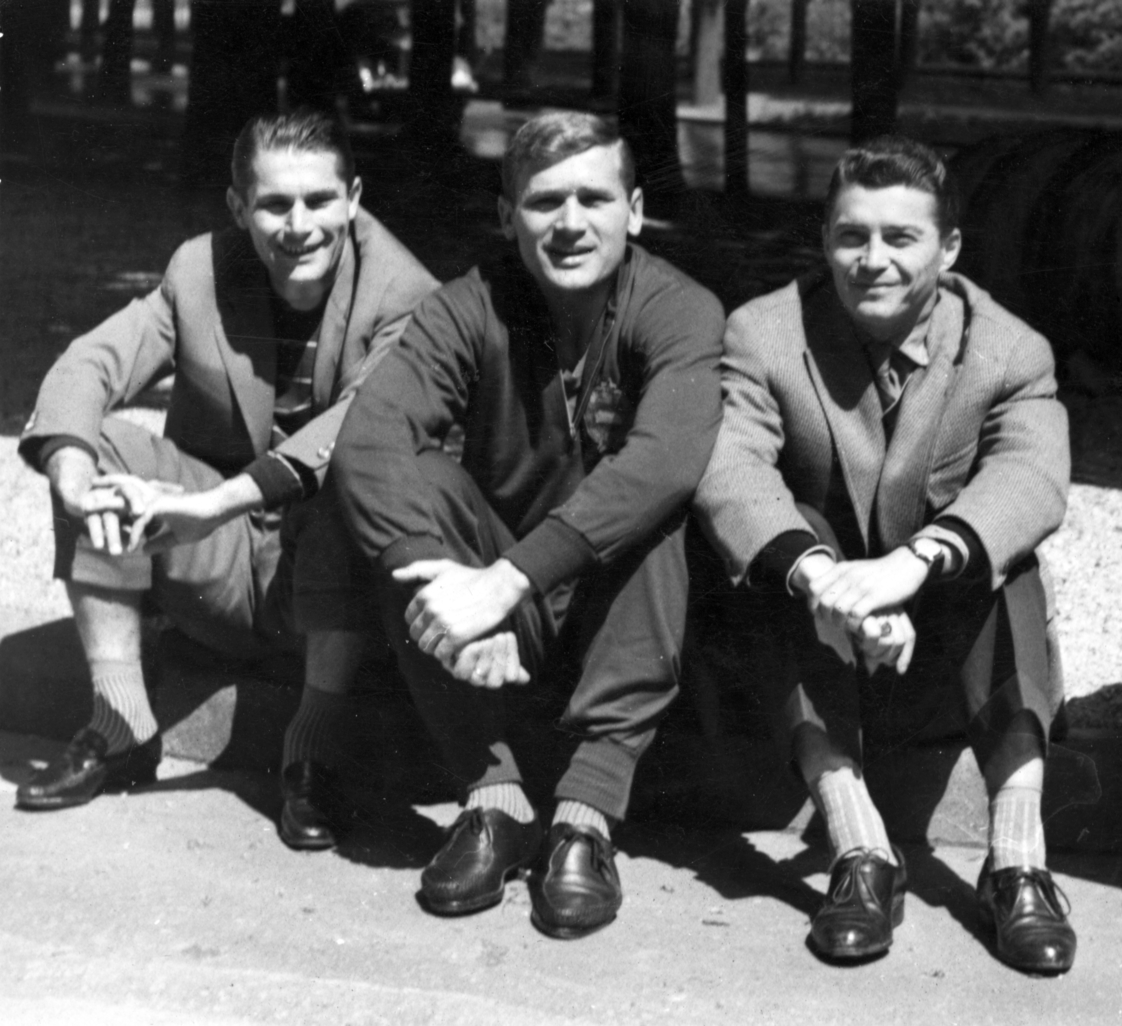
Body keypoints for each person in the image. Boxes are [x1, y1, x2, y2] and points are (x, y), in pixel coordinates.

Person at [329, 112, 723, 936]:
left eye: (594, 198)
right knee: (415, 488)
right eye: (545, 202)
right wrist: (445, 587)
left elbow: (665, 461)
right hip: (495, 631)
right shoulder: (466, 306)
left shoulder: (680, 310)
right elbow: (368, 440)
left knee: (651, 506)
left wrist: (504, 583)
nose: (571, 223)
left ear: (636, 210)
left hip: (623, 614)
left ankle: (585, 816)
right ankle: (494, 796)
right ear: (508, 216)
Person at [694, 137, 1076, 974]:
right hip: (814, 642)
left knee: (1005, 556)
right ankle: (859, 849)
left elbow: (1034, 476)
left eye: (901, 239)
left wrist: (914, 566)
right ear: (824, 239)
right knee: (777, 535)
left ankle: (1018, 856)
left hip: (944, 650)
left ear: (950, 249)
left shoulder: (1011, 349)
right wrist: (828, 582)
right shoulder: (763, 332)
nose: (873, 261)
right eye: (850, 236)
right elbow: (729, 464)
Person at [16, 110, 438, 853]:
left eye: (319, 201)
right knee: (101, 444)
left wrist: (210, 503)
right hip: (220, 555)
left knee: (355, 478)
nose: (299, 225)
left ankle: (312, 752)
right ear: (239, 207)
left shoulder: (407, 293)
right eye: (275, 204)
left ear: (355, 198)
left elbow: (356, 426)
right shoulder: (198, 270)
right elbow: (92, 363)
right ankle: (122, 722)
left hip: (333, 579)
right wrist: (76, 482)